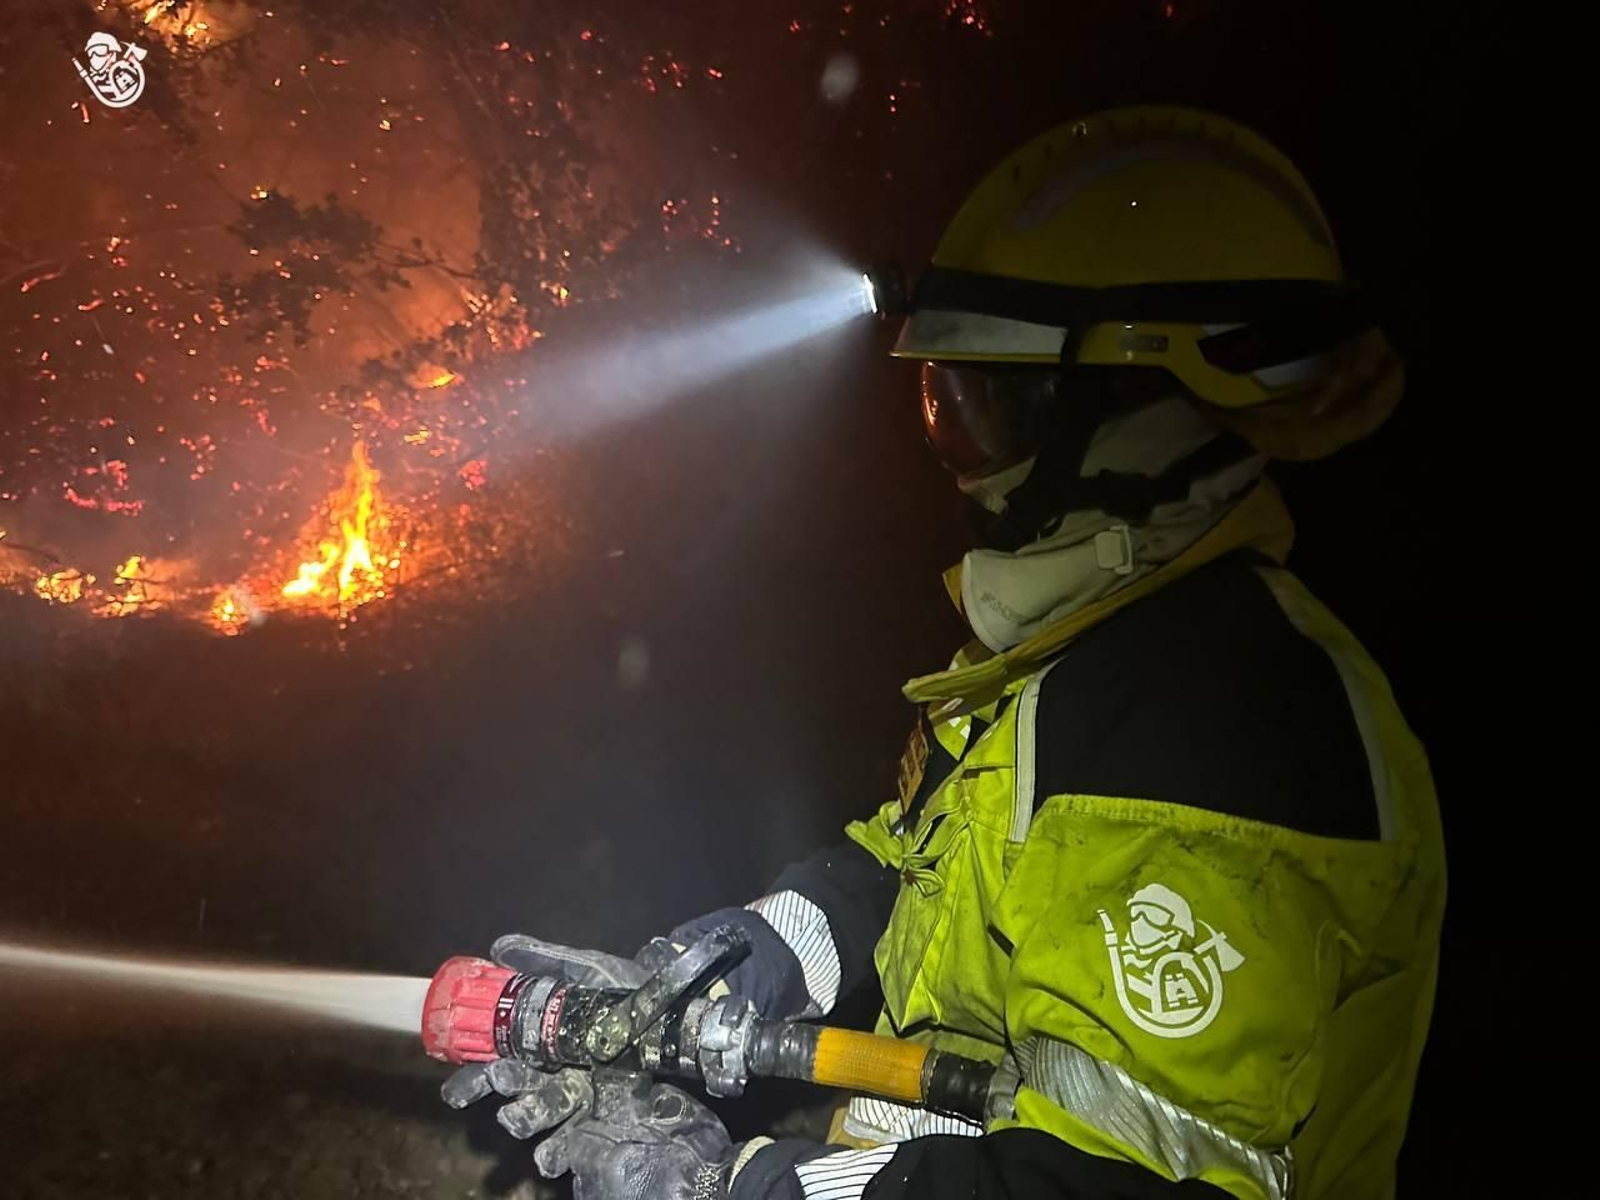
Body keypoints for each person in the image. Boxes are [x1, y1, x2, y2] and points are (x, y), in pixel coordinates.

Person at [444, 106, 1444, 1200]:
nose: (960, 458)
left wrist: (730, 1187)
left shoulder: (1226, 726)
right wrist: (747, 957)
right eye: (942, 403)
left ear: (1147, 400)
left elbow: (1108, 1187)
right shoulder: (1085, 656)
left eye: (989, 404)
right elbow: (922, 872)